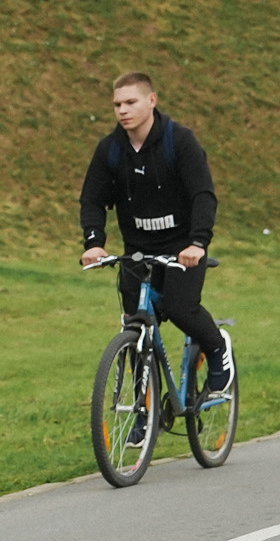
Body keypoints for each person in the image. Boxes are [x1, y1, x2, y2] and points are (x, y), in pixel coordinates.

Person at [79, 72, 232, 393]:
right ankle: (142, 410)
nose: (123, 110)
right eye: (117, 104)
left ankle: (218, 348)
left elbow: (203, 195)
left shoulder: (180, 141)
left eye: (130, 102)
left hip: (182, 248)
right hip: (137, 250)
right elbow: (92, 199)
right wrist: (94, 242)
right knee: (135, 326)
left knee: (180, 308)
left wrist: (198, 242)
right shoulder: (110, 150)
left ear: (152, 101)